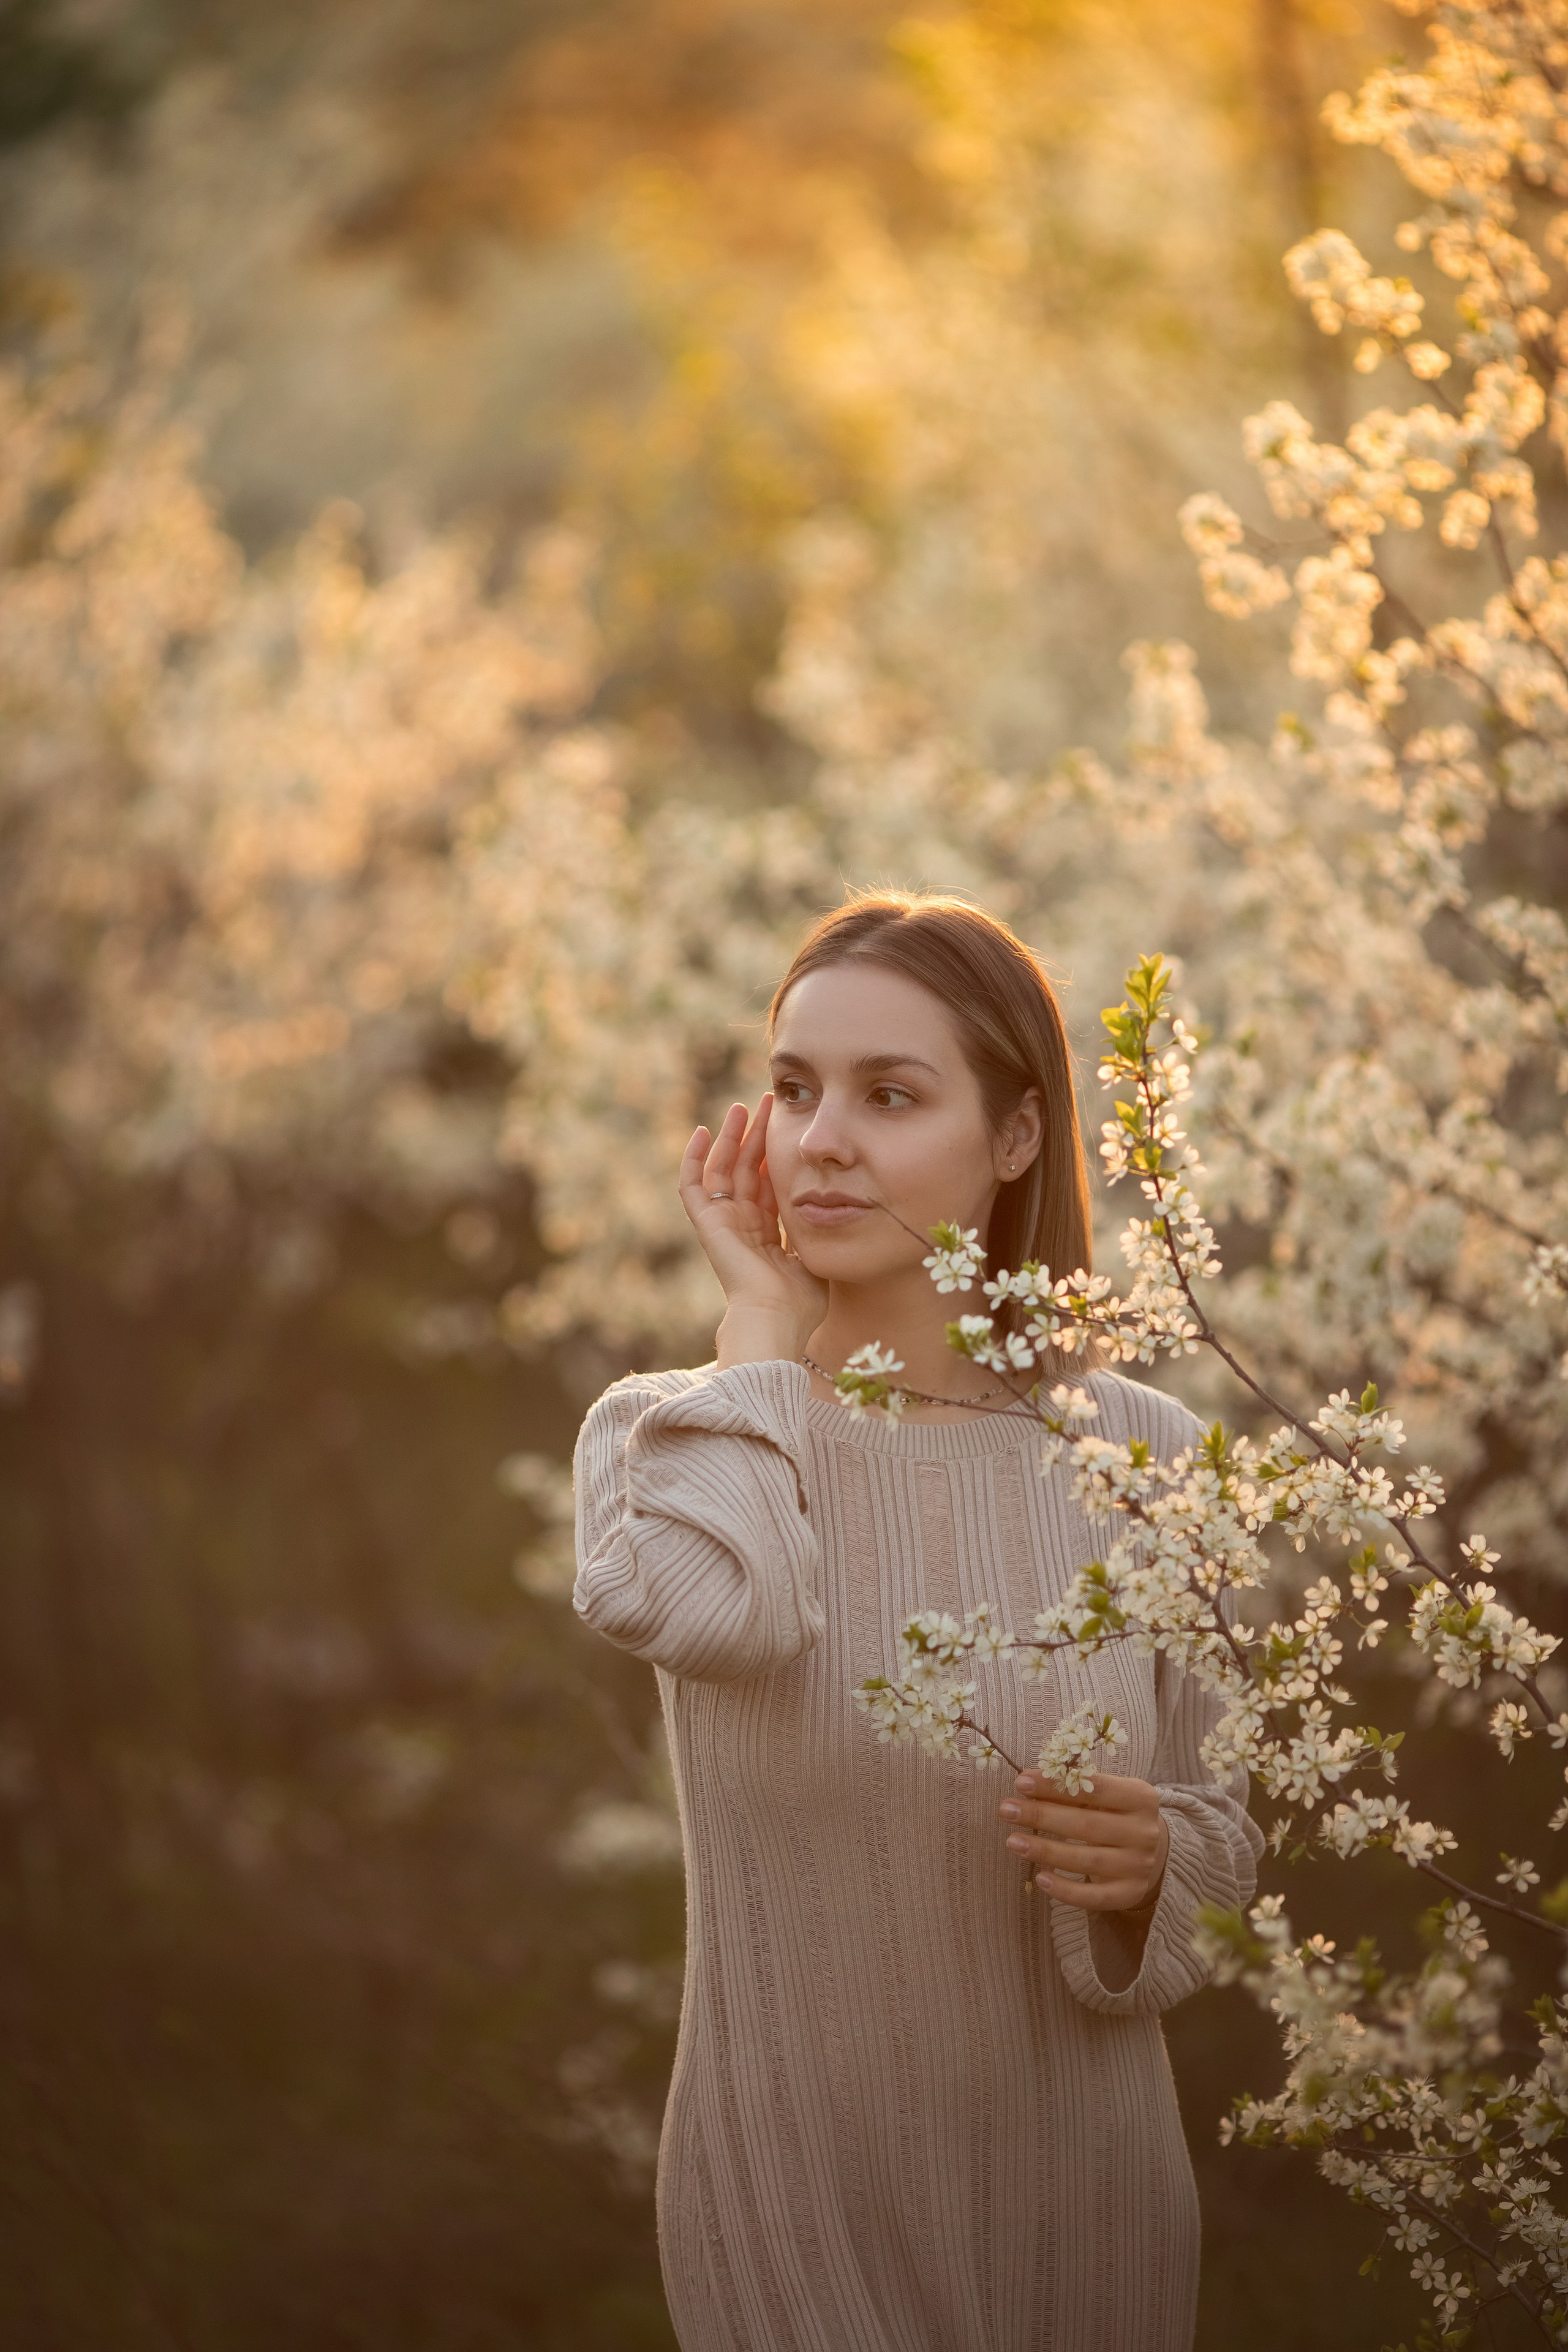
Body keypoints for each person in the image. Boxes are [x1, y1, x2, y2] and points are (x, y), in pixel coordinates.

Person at [573, 892, 1261, 2352]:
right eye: (793, 1089)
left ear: (1014, 1138)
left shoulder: (1147, 1457)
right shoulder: (663, 1436)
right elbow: (725, 1616)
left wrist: (1152, 1865)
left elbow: (1227, 1843)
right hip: (788, 2217)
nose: (822, 1139)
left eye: (888, 1095)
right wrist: (759, 1341)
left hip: (1085, 2214)